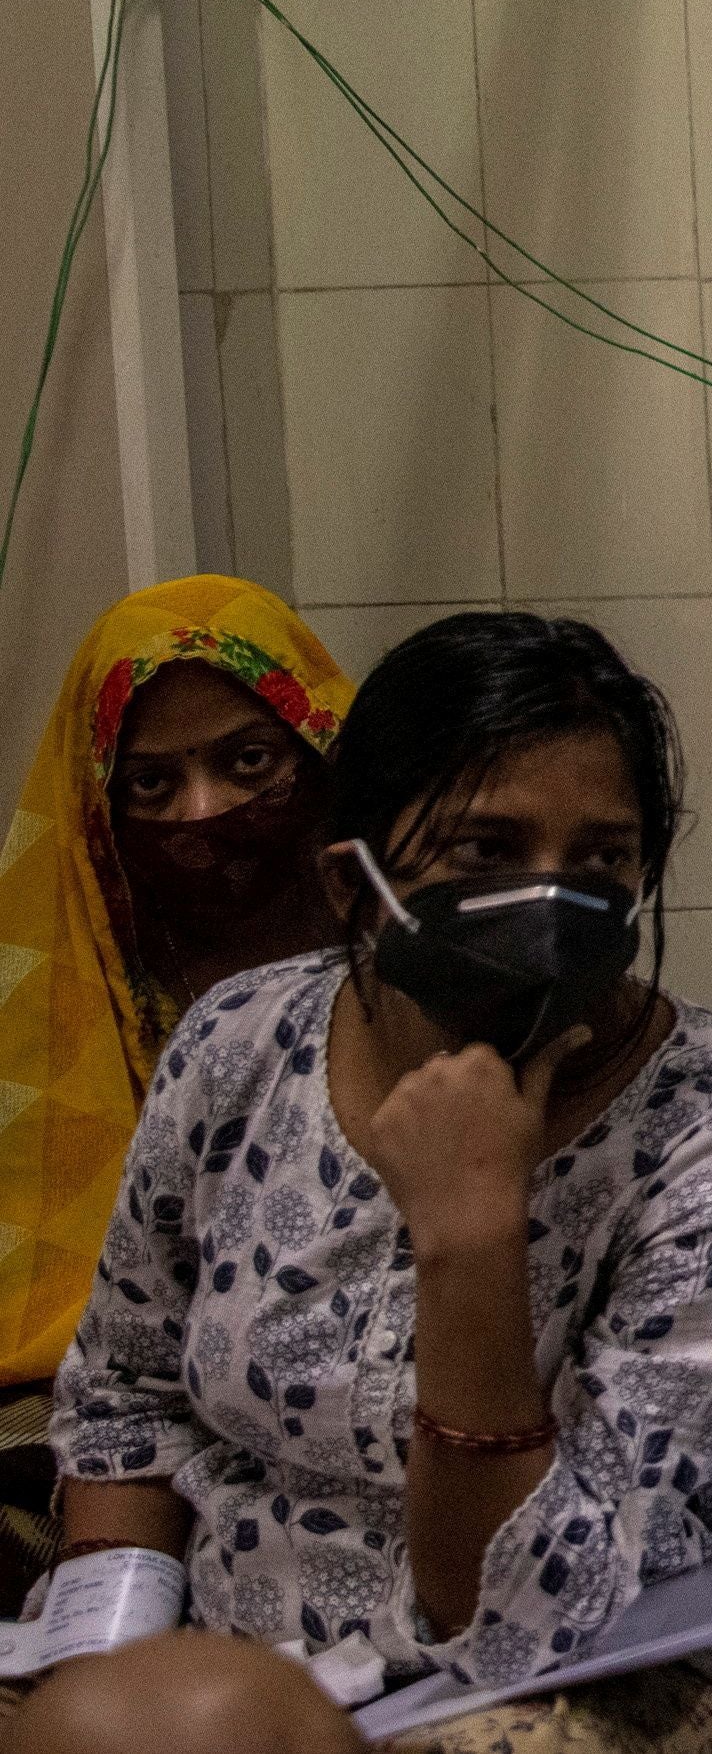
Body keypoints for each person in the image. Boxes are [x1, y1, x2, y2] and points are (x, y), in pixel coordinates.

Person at [37, 611, 712, 1751]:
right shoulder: (238, 1047)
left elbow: (515, 1607)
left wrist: (471, 1237)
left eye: (601, 858)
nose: (549, 897)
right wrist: (108, 1656)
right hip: (252, 1631)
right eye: (485, 850)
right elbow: (131, 1397)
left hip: (611, 1637)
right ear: (352, 880)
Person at [0, 579, 355, 1602]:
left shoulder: (418, 966)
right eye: (152, 785)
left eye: (247, 762)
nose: (204, 812)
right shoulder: (70, 991)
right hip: (102, 1423)